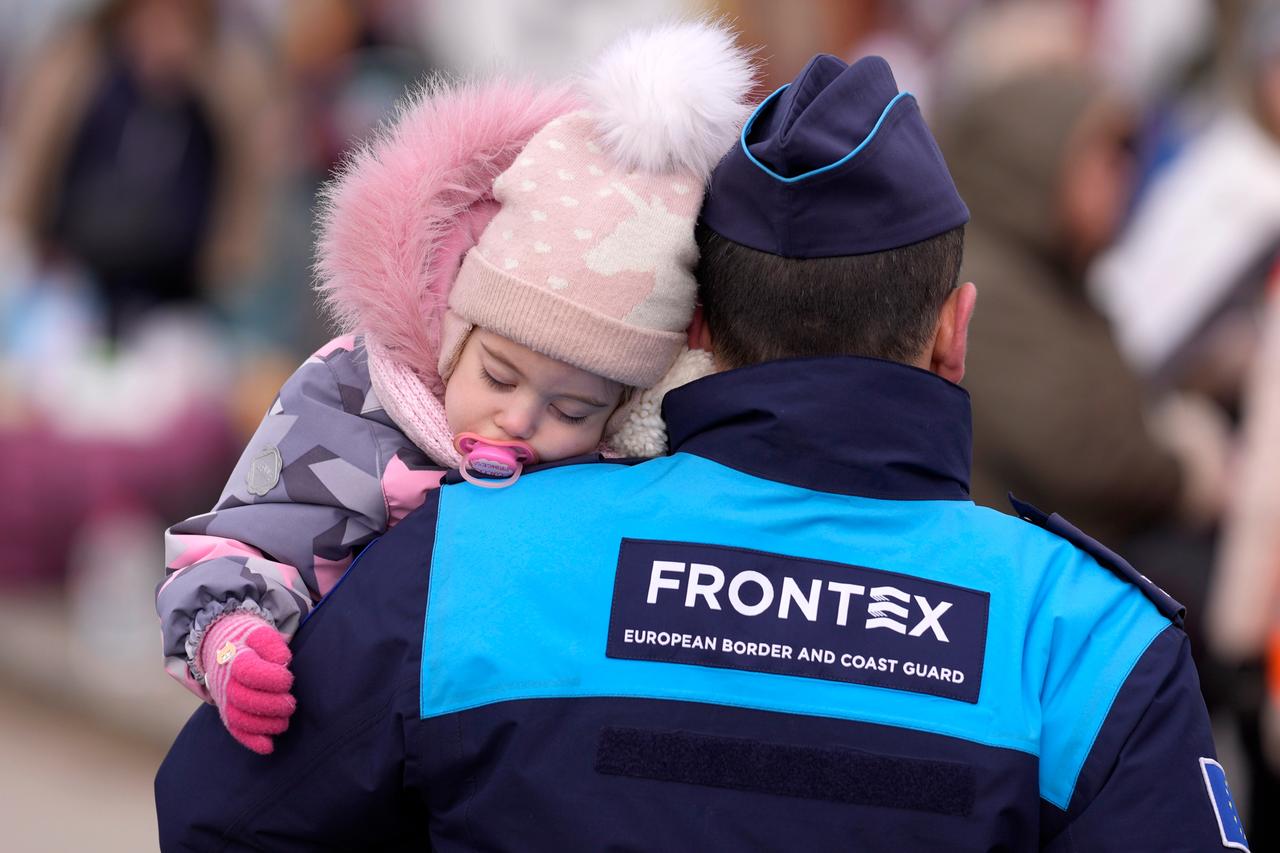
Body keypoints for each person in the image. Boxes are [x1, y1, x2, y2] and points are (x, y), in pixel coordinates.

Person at [157, 53, 1242, 851]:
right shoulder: (1082, 640)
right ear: (953, 330)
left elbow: (220, 819)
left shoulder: (468, 559)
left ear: (697, 333)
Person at [154, 21, 751, 753]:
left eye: (573, 408)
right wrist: (232, 639)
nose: (520, 417)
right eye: (499, 374)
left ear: (625, 409)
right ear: (453, 332)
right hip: (334, 736)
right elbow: (248, 537)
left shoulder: (626, 476)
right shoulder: (353, 399)